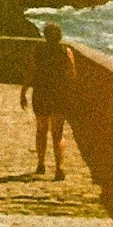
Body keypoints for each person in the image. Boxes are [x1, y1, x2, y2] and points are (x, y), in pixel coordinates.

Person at [20, 21, 76, 180]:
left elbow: (30, 72)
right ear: (59, 36)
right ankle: (60, 168)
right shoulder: (66, 51)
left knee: (41, 130)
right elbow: (72, 74)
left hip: (41, 94)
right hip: (58, 95)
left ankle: (41, 164)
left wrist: (23, 92)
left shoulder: (38, 50)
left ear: (45, 35)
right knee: (57, 133)